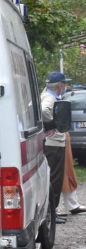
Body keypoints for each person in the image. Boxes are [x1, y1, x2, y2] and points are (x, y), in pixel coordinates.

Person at [42, 71, 68, 225]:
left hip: (54, 143)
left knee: (54, 178)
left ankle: (52, 210)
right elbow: (44, 110)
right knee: (55, 179)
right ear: (60, 85)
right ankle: (52, 211)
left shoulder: (50, 96)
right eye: (64, 83)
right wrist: (53, 124)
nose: (65, 86)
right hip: (54, 144)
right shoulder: (49, 98)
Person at [61, 137, 85, 215]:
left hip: (60, 134)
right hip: (52, 137)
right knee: (54, 173)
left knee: (68, 171)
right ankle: (51, 209)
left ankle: (72, 204)